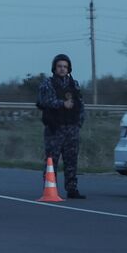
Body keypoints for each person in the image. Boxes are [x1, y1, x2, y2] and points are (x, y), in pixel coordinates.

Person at [37, 53, 86, 199]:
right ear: (54, 68)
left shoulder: (74, 84)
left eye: (65, 66)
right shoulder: (48, 84)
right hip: (55, 128)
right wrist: (62, 104)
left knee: (71, 160)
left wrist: (79, 122)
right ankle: (50, 188)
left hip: (72, 128)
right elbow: (43, 101)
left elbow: (80, 104)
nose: (62, 69)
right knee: (52, 160)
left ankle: (72, 189)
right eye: (59, 66)